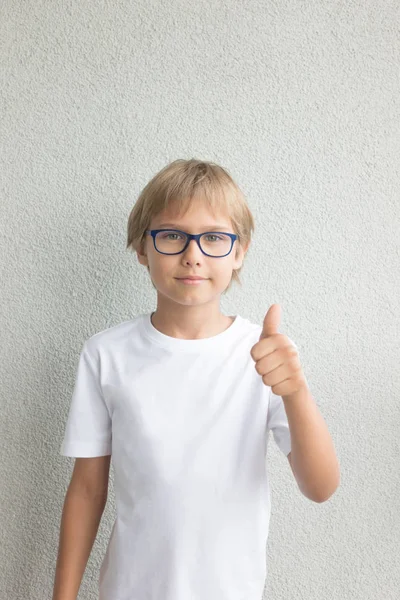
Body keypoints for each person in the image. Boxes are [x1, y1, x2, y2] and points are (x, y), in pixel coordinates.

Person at [53, 158, 339, 600]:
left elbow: (321, 487)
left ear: (239, 251)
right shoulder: (105, 354)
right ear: (142, 249)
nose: (193, 254)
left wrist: (296, 391)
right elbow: (88, 490)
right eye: (171, 235)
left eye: (213, 238)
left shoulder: (267, 355)